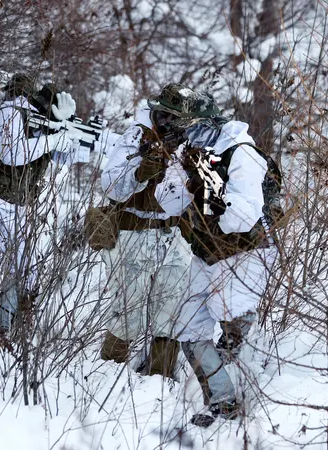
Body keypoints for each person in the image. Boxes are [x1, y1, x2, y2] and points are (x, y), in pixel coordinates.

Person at [172, 91, 278, 419]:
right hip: (207, 252)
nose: (189, 136)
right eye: (185, 130)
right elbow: (169, 203)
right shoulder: (198, 152)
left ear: (210, 123)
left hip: (241, 255)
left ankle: (241, 370)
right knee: (188, 330)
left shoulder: (242, 154)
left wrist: (211, 186)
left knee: (229, 315)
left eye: (193, 128)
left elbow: (241, 217)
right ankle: (225, 398)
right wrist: (184, 176)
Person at [0, 73, 81, 350]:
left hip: (16, 206)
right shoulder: (8, 115)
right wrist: (53, 140)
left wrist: (67, 135)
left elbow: (68, 157)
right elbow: (14, 153)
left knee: (25, 269)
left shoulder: (42, 126)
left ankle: (2, 330)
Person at [97, 84, 209, 378]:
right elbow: (109, 184)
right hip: (133, 230)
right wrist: (137, 172)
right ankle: (107, 375)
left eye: (179, 120)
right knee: (128, 311)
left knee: (171, 313)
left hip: (172, 235)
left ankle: (161, 378)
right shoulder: (138, 135)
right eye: (167, 117)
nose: (172, 124)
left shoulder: (190, 143)